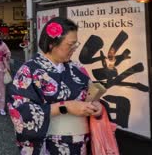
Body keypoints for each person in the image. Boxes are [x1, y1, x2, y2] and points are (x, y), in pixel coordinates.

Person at [9, 17, 103, 154]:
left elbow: (90, 94)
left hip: (81, 143)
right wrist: (64, 107)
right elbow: (20, 112)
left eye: (76, 44)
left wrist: (97, 105)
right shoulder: (28, 70)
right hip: (49, 144)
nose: (74, 49)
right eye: (70, 44)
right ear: (52, 44)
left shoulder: (76, 68)